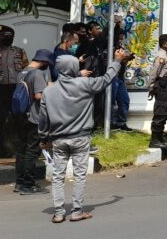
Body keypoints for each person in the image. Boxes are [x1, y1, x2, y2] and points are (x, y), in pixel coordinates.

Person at [41, 49, 130, 223]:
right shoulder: (85, 84)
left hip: (58, 139)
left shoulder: (48, 91)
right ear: (74, 67)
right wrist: (117, 61)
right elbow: (106, 79)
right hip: (81, 137)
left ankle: (59, 213)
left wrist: (44, 138)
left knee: (58, 176)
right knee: (79, 175)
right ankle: (76, 211)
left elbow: (43, 119)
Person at [0, 25, 28, 157]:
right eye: (5, 35)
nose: (8, 38)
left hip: (16, 89)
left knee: (20, 119)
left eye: (10, 36)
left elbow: (26, 69)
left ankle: (22, 148)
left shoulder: (20, 51)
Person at [14, 49, 54, 194]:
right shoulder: (37, 74)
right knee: (32, 151)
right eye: (47, 63)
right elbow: (39, 96)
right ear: (43, 62)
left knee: (22, 150)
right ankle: (28, 185)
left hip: (21, 116)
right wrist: (50, 90)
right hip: (34, 117)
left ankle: (19, 182)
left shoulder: (23, 72)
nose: (47, 66)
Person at [146, 34, 167, 148]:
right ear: (164, 44)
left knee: (165, 112)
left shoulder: (165, 54)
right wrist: (151, 87)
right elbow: (154, 72)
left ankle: (159, 139)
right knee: (161, 111)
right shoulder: (161, 56)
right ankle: (154, 140)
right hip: (162, 87)